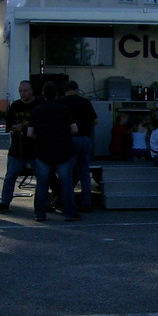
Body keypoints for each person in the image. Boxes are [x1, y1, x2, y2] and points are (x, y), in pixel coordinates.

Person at [28, 81, 79, 222]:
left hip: (43, 150)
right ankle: (69, 212)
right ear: (56, 94)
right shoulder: (64, 109)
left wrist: (40, 137)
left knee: (42, 183)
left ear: (43, 94)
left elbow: (30, 133)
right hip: (63, 150)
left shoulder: (36, 110)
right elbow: (74, 129)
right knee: (66, 182)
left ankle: (40, 213)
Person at [0, 80, 37, 213]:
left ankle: (43, 203)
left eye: (25, 91)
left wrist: (27, 124)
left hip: (35, 149)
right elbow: (8, 124)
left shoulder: (38, 105)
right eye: (20, 91)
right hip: (17, 149)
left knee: (43, 177)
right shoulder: (15, 106)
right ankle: (4, 202)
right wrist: (15, 126)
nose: (23, 94)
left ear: (31, 91)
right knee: (10, 176)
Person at [60, 81, 98, 212]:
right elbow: (95, 120)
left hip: (69, 140)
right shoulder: (85, 102)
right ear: (77, 89)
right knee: (84, 173)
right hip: (84, 139)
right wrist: (85, 125)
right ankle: (86, 202)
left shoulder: (62, 103)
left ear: (65, 90)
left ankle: (67, 202)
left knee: (68, 173)